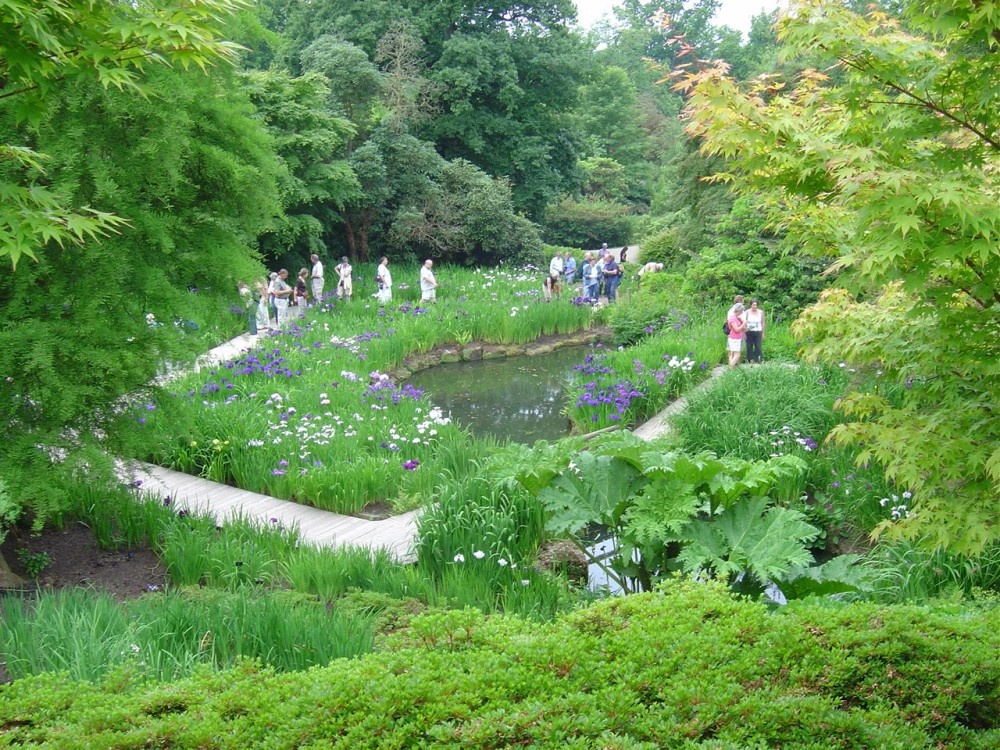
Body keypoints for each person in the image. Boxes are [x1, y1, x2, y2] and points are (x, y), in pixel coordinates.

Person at [744, 299, 765, 363]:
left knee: (758, 346)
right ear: (751, 305)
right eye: (753, 305)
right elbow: (744, 322)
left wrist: (763, 333)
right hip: (749, 331)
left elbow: (763, 323)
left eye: (756, 305)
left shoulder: (760, 312)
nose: (755, 306)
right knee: (749, 346)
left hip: (758, 331)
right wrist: (744, 331)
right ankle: (750, 359)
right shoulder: (747, 312)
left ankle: (758, 359)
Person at [726, 302, 746, 367]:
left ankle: (731, 368)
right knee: (737, 354)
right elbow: (736, 329)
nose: (742, 312)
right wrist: (744, 323)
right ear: (738, 310)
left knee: (733, 354)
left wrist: (742, 321)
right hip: (734, 338)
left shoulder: (737, 318)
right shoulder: (732, 318)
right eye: (741, 311)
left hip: (737, 338)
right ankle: (730, 367)